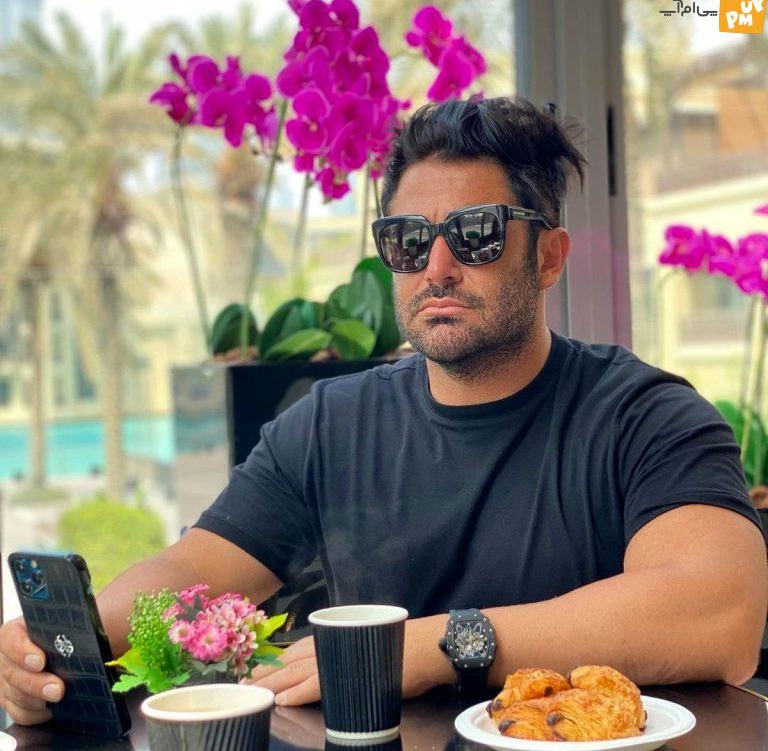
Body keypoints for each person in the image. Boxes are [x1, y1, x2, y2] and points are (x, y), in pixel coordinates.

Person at [1, 97, 766, 726]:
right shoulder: (329, 425)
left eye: (475, 234)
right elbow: (192, 571)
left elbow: (718, 612)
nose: (437, 266)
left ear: (549, 256)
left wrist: (432, 646)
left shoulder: (644, 416)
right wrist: (62, 650)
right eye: (407, 241)